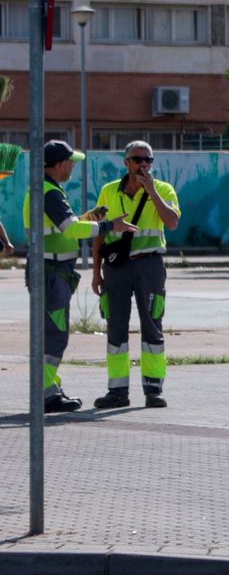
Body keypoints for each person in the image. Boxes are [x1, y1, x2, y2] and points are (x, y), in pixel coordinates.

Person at [22, 141, 124, 413]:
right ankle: (44, 394)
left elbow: (65, 227)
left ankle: (49, 389)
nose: (73, 166)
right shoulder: (50, 193)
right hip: (51, 273)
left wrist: (90, 218)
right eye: (71, 162)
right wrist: (108, 225)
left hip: (49, 272)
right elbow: (70, 230)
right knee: (55, 335)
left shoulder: (46, 189)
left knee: (50, 334)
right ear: (58, 165)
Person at [90, 141, 181, 410]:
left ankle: (154, 388)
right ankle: (117, 390)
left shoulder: (163, 189)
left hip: (149, 266)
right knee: (115, 326)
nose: (144, 164)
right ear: (126, 162)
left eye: (148, 160)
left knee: (152, 324)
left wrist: (151, 191)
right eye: (138, 159)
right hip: (116, 267)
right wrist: (96, 273)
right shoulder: (108, 191)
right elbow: (99, 233)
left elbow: (173, 222)